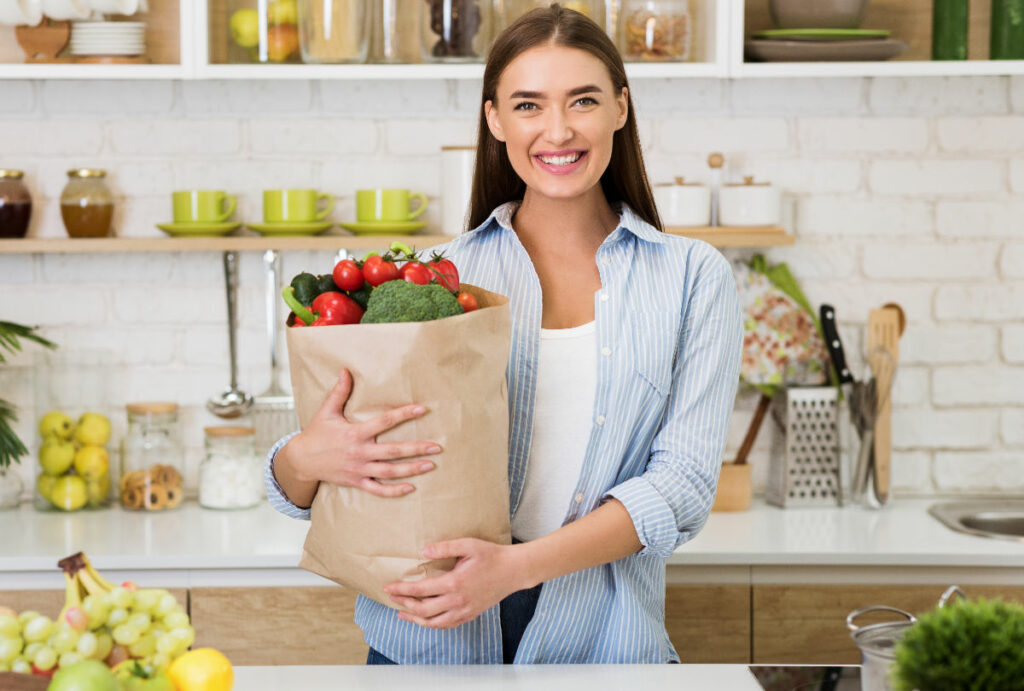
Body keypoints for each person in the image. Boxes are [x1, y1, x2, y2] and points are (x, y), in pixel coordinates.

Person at [265, 3, 743, 665]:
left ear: (620, 107)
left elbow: (682, 486)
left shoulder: (692, 277)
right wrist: (305, 458)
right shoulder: (437, 277)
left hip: (602, 646)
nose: (558, 130)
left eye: (583, 100)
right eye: (527, 105)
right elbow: (306, 485)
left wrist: (514, 569)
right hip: (426, 644)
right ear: (494, 119)